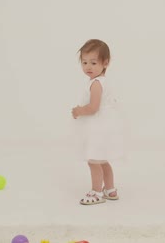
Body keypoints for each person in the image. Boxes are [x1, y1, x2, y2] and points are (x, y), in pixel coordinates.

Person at [71, 39, 126, 205]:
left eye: (93, 63)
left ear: (105, 63)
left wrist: (79, 110)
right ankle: (110, 189)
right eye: (85, 62)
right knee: (103, 159)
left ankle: (96, 191)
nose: (88, 67)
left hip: (98, 127)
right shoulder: (102, 81)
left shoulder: (96, 84)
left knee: (93, 160)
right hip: (106, 126)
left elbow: (94, 107)